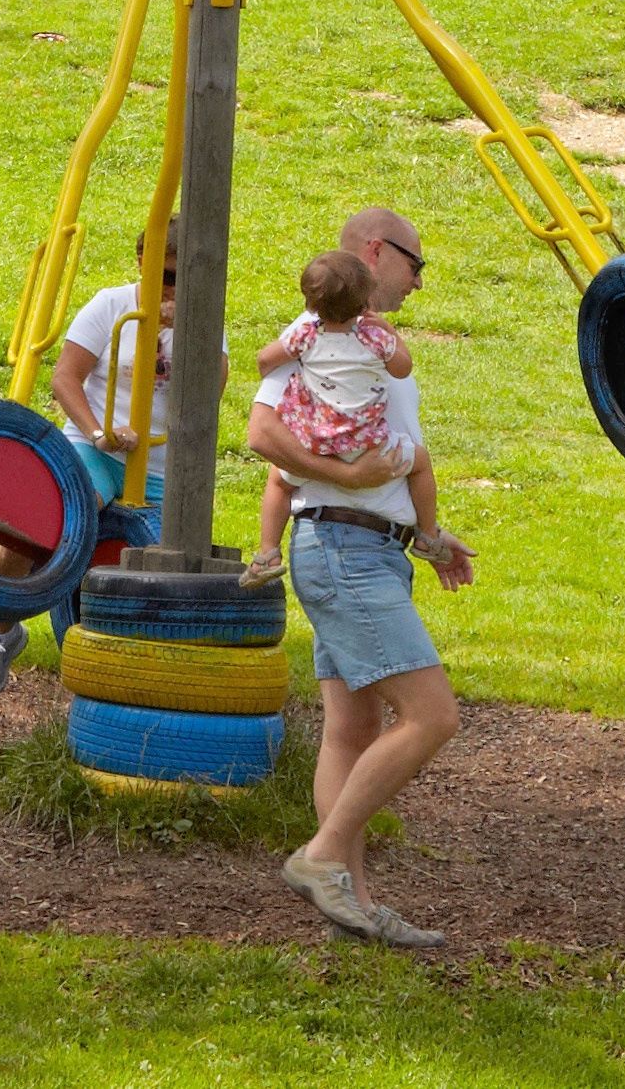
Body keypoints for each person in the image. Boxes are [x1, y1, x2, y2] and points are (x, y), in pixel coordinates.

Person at [249, 203, 472, 948]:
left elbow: (398, 454)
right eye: (415, 263)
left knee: (350, 727)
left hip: (369, 546)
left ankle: (352, 900)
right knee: (432, 715)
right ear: (376, 251)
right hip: (340, 549)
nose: (418, 281)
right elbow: (261, 434)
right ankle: (318, 858)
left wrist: (429, 540)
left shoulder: (367, 340)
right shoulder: (313, 331)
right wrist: (345, 472)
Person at [0, 272, 168, 695]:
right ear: (142, 261)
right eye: (164, 275)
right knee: (32, 527)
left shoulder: (199, 323)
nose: (171, 287)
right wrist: (99, 432)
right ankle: (1, 635)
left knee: (170, 574)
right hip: (95, 450)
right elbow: (64, 378)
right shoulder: (111, 305)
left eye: (182, 276)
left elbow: (212, 388)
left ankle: (144, 680)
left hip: (160, 466)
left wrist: (176, 332)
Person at [244, 236, 415, 577]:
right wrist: (391, 333)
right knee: (420, 463)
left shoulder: (305, 335)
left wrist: (274, 362)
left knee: (279, 481)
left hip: (316, 440)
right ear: (366, 300)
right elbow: (403, 367)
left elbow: (265, 360)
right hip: (367, 444)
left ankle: (267, 554)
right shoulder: (374, 337)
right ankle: (428, 535)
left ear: (310, 303)